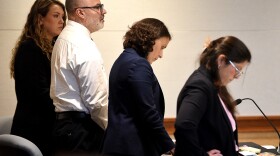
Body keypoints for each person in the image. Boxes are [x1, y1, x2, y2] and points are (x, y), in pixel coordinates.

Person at [102, 18, 175, 156]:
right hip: (132, 146)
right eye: (162, 47)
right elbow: (148, 111)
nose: (161, 55)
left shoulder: (124, 59)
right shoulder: (138, 65)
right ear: (151, 39)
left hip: (120, 144)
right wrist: (170, 146)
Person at [174, 36, 252, 156]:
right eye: (237, 69)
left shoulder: (214, 85)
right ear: (221, 61)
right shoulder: (200, 85)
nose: (237, 76)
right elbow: (184, 125)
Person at [50, 0, 108, 155]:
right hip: (82, 131)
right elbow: (96, 101)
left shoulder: (65, 37)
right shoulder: (81, 44)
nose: (104, 11)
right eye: (98, 7)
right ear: (80, 12)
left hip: (66, 128)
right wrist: (112, 130)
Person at [9, 0, 66, 155]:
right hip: (34, 129)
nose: (61, 21)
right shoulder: (30, 48)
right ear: (40, 19)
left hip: (46, 125)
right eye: (56, 16)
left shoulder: (52, 48)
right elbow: (39, 95)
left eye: (63, 17)